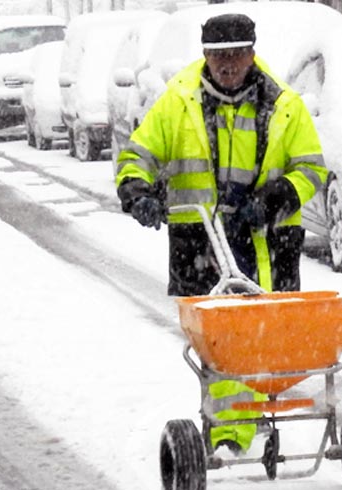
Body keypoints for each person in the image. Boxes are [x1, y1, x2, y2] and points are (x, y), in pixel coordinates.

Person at [115, 13, 328, 455]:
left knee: (265, 342)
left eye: (235, 55)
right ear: (205, 57)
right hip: (201, 241)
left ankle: (244, 426)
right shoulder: (179, 102)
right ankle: (233, 434)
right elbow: (138, 153)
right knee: (224, 345)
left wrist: (277, 198)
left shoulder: (284, 105)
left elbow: (311, 168)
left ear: (251, 54)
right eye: (217, 57)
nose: (227, 65)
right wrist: (137, 190)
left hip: (266, 241)